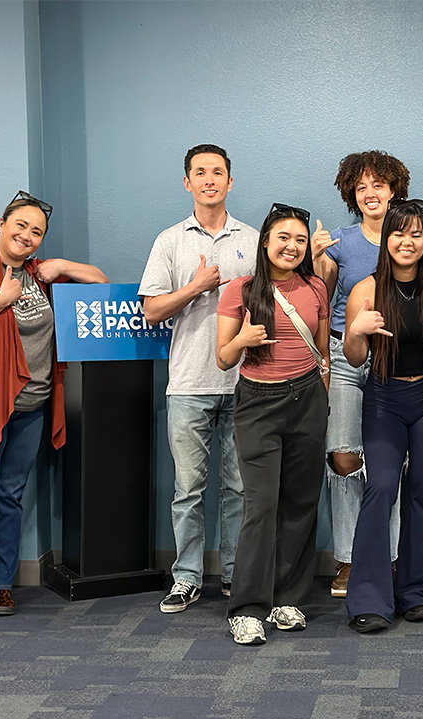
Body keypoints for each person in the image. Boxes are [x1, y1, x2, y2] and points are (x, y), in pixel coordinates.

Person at [0, 191, 108, 619]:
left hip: (32, 404)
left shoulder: (39, 274)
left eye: (37, 232)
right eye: (21, 226)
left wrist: (64, 267)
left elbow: (101, 284)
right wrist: (1, 298)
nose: (27, 235)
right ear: (1, 223)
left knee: (11, 496)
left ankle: (2, 585)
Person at [140, 144, 258, 613]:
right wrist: (194, 287)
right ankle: (186, 576)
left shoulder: (251, 240)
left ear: (231, 182)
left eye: (218, 172)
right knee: (187, 490)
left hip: (244, 382)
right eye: (200, 173)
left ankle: (233, 574)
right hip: (188, 383)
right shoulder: (170, 240)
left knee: (239, 488)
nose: (210, 179)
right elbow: (151, 311)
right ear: (187, 182)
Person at [342, 199, 423, 632]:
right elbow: (354, 357)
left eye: (416, 233)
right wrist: (356, 332)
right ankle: (369, 598)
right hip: (385, 399)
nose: (407, 242)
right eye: (398, 233)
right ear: (386, 238)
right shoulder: (366, 290)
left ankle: (418, 593)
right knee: (380, 488)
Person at [216, 203, 329, 645]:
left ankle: (288, 600)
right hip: (258, 402)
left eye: (300, 240)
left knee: (301, 501)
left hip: (307, 398)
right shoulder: (239, 290)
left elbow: (322, 354)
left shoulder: (316, 287)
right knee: (261, 505)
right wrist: (242, 340)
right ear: (265, 241)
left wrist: (322, 398)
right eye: (283, 237)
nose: (292, 246)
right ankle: (246, 608)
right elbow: (223, 357)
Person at [311, 150, 410, 598]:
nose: (371, 194)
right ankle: (349, 558)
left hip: (396, 360)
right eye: (362, 187)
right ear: (352, 192)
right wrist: (323, 364)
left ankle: (383, 559)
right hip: (342, 353)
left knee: (388, 466)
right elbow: (317, 303)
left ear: (395, 189)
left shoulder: (410, 236)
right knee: (344, 458)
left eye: (379, 185)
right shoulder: (339, 242)